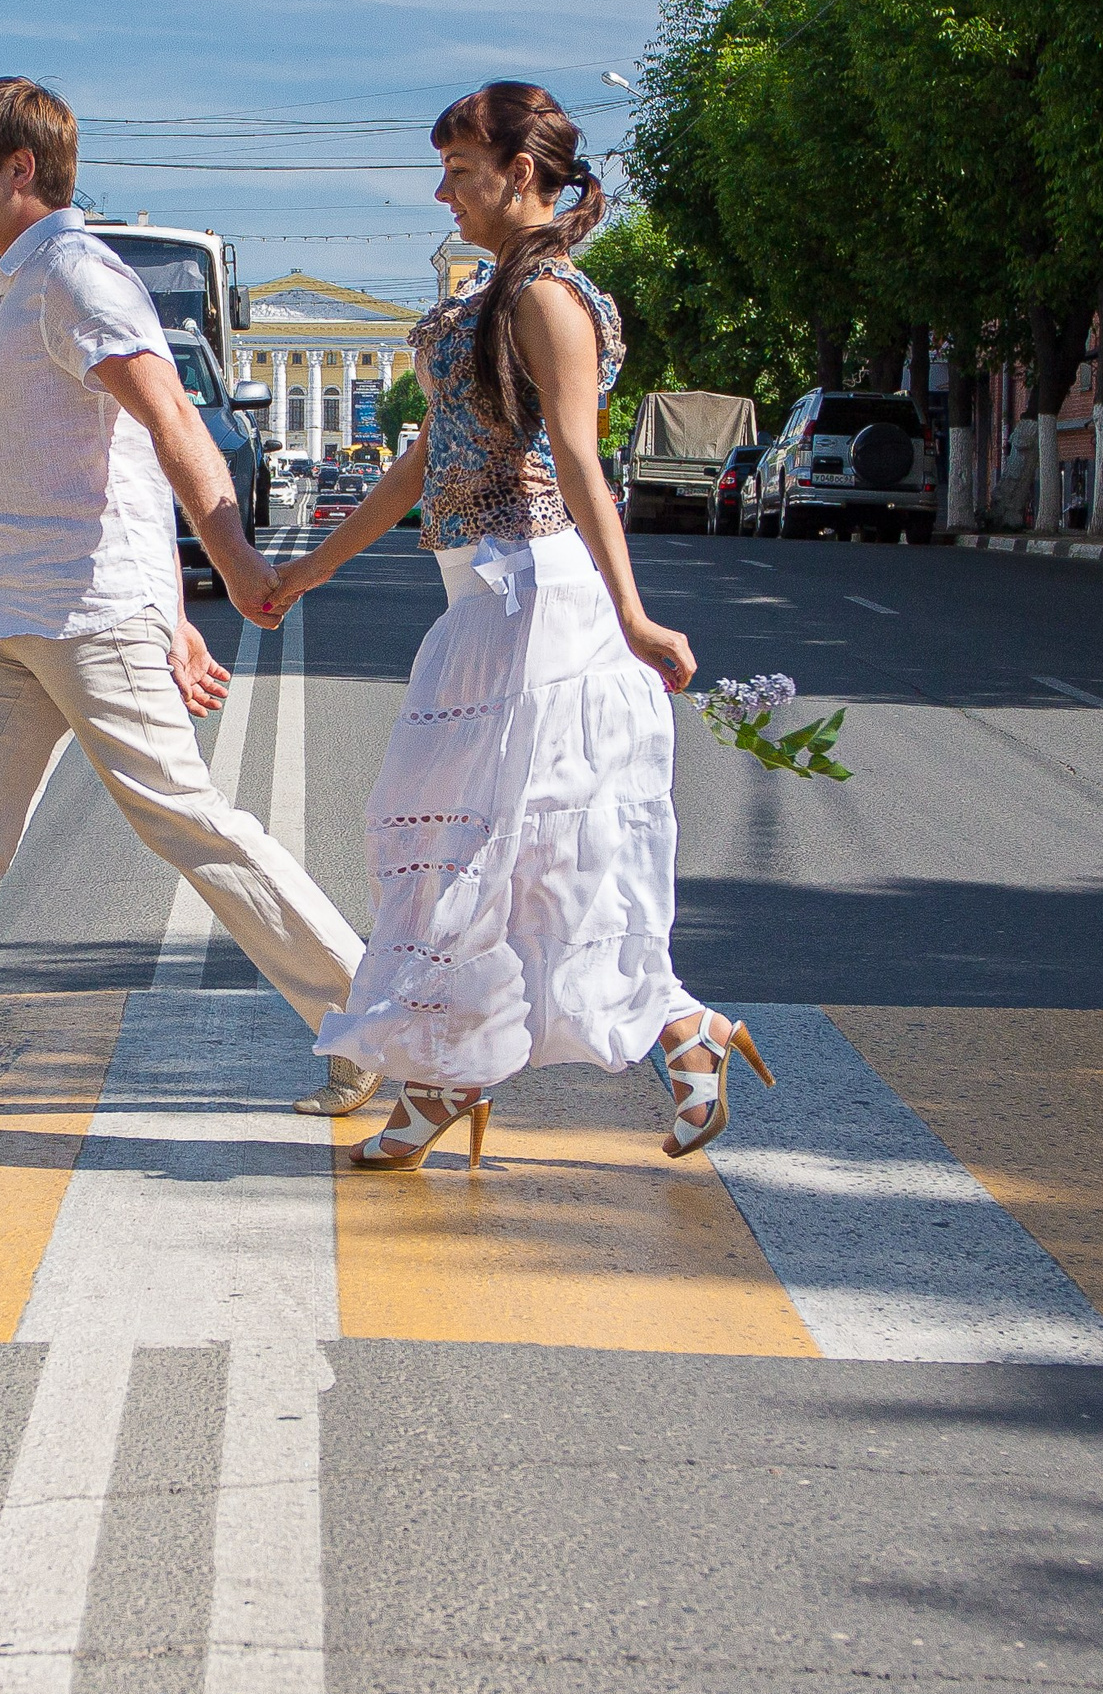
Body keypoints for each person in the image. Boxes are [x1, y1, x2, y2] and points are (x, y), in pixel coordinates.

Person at [0, 78, 371, 1118]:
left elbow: (172, 423)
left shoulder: (78, 278)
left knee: (189, 821)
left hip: (86, 615)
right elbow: (119, 461)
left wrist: (226, 560)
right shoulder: (23, 280)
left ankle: (382, 1024)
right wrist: (178, 610)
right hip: (19, 619)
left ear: (20, 171)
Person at [259, 82, 773, 1171]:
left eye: (458, 170)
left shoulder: (546, 297)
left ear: (520, 174)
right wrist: (308, 567)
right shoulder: (485, 297)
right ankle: (613, 1043)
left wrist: (632, 615)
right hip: (482, 598)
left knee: (505, 849)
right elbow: (422, 460)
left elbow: (580, 459)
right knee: (486, 847)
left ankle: (591, 1045)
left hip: (539, 597)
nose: (442, 192)